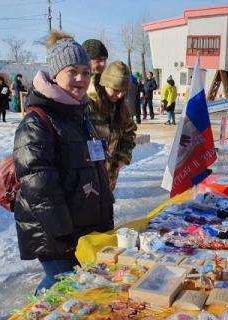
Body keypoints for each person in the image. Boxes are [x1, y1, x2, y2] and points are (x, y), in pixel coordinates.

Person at [13, 31, 114, 294]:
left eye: (86, 71)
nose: (81, 78)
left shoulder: (78, 113)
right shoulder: (37, 122)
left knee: (72, 286)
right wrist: (63, 237)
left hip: (81, 226)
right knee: (62, 285)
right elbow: (40, 188)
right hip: (55, 231)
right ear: (56, 74)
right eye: (73, 71)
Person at [87, 61, 137, 191]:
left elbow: (129, 132)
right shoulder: (87, 104)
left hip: (109, 178)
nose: (120, 95)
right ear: (105, 84)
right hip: (88, 179)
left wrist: (122, 157)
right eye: (116, 89)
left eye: (123, 91)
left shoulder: (119, 107)